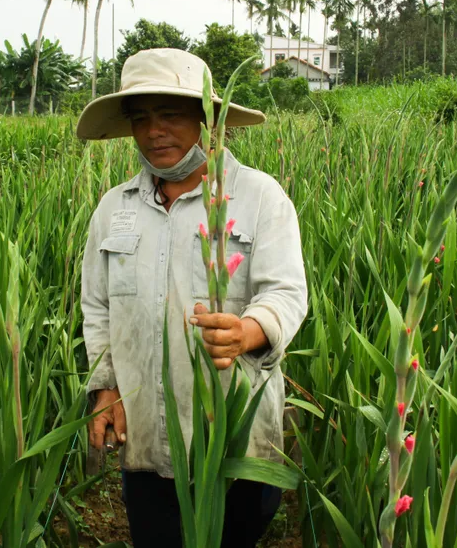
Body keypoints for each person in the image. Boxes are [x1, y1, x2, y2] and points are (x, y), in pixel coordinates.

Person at [78, 48, 308, 547]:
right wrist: (105, 386)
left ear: (206, 119)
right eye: (141, 118)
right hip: (144, 440)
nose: (154, 131)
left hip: (234, 444)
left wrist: (248, 331)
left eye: (171, 114)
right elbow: (97, 306)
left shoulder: (259, 197)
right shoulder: (113, 209)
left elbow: (287, 291)